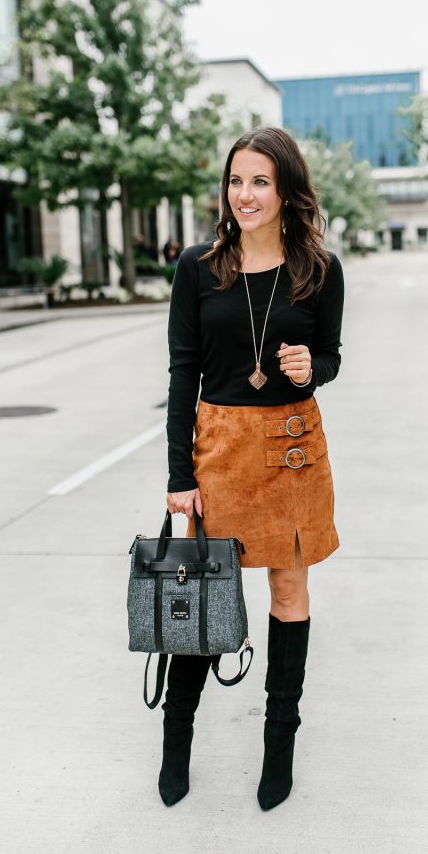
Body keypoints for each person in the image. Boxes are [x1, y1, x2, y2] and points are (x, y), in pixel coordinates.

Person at [162, 126, 344, 811]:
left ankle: (279, 748)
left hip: (294, 448)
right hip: (221, 447)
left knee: (289, 596)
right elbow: (183, 371)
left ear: (286, 190)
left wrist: (310, 367)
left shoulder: (319, 270)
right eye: (236, 180)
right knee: (205, 604)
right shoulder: (197, 267)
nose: (245, 194)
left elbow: (330, 356)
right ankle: (176, 738)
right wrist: (181, 473)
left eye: (260, 181)